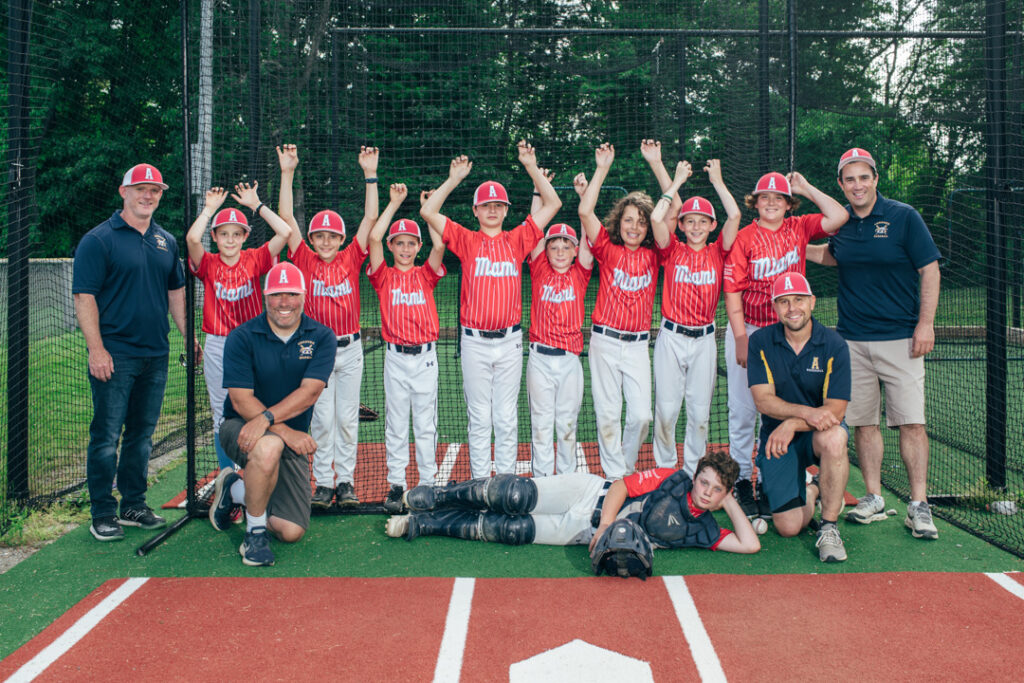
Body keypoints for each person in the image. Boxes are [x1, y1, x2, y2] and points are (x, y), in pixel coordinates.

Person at [419, 141, 561, 479]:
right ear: (476, 210)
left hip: (510, 341)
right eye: (486, 205)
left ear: (507, 210)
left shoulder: (518, 239)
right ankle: (482, 483)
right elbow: (428, 212)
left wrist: (531, 166)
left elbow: (553, 202)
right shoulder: (467, 240)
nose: (493, 210)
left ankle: (506, 484)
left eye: (498, 205)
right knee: (480, 415)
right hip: (475, 343)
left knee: (507, 416)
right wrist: (453, 180)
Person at [820, 148, 942, 540]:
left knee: (912, 423)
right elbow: (828, 256)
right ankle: (873, 497)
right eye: (849, 179)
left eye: (864, 177)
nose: (857, 185)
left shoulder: (904, 217)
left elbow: (930, 269)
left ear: (875, 179)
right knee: (864, 424)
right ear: (841, 184)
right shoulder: (840, 225)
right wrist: (777, 245)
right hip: (852, 341)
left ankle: (918, 505)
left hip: (902, 339)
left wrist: (926, 324)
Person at [72, 163, 197, 541]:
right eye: (141, 189)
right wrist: (97, 350)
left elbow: (176, 292)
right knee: (106, 435)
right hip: (115, 355)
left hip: (155, 354)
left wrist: (188, 337)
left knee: (142, 435)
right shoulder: (99, 239)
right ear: (123, 192)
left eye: (155, 190)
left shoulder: (166, 241)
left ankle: (133, 504)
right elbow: (84, 296)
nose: (148, 196)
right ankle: (102, 512)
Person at [723, 169, 847, 518]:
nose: (772, 203)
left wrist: (806, 187)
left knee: (786, 404)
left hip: (791, 331)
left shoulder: (799, 227)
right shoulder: (746, 237)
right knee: (744, 410)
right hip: (753, 327)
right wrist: (741, 337)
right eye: (765, 197)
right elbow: (732, 291)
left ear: (788, 203)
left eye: (779, 197)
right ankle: (743, 481)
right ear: (755, 203)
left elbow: (839, 216)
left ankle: (778, 477)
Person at [383, 450, 760, 556]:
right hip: (589, 494)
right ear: (694, 477)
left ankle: (424, 524)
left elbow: (750, 543)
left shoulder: (706, 529)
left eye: (716, 490)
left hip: (582, 533)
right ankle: (434, 496)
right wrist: (609, 527)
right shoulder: (673, 478)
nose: (706, 492)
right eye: (704, 482)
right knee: (514, 496)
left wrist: (728, 503)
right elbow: (620, 488)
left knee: (510, 530)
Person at [208, 262, 336, 566]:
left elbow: (310, 393)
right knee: (269, 446)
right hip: (240, 428)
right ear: (265, 297)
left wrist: (270, 422)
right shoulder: (242, 336)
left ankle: (234, 488)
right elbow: (240, 400)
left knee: (291, 531)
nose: (284, 303)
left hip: (282, 435)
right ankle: (254, 534)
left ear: (304, 296)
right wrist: (283, 431)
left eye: (291, 294)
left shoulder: (322, 337)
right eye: (276, 295)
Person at [277, 143, 379, 509]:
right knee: (321, 420)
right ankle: (322, 484)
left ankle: (347, 482)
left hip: (350, 350)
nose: (324, 241)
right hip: (315, 351)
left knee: (347, 419)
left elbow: (369, 220)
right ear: (312, 239)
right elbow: (287, 219)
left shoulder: (352, 256)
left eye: (331, 236)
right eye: (319, 235)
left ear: (340, 239)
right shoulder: (303, 257)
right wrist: (287, 172)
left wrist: (370, 175)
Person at [642, 144, 741, 476]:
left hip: (704, 340)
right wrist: (676, 184)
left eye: (703, 221)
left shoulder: (718, 252)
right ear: (681, 225)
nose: (696, 226)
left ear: (711, 225)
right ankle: (665, 469)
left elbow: (736, 215)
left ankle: (691, 472)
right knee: (667, 412)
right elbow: (657, 216)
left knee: (699, 414)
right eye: (690, 221)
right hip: (671, 336)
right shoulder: (672, 250)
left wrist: (718, 182)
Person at [185, 183, 292, 471]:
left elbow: (285, 233)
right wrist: (209, 209)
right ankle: (228, 474)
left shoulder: (254, 258)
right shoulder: (207, 263)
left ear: (245, 236)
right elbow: (192, 239)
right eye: (223, 234)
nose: (230, 239)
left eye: (236, 233)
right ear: (215, 237)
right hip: (218, 343)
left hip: (253, 342)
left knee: (259, 405)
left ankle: (260, 467)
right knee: (222, 411)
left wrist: (257, 205)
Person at [747, 272, 851, 562]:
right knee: (789, 527)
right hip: (777, 440)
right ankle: (816, 490)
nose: (792, 308)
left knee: (835, 437)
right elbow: (763, 400)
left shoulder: (834, 344)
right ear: (775, 308)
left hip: (816, 434)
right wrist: (803, 414)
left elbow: (836, 410)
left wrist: (794, 422)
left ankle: (829, 527)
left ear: (812, 302)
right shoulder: (760, 342)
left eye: (799, 300)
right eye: (784, 302)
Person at [576, 142, 658, 479]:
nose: (634, 227)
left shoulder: (657, 255)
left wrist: (659, 165)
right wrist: (601, 169)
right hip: (605, 342)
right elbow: (584, 213)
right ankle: (614, 479)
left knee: (641, 416)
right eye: (628, 220)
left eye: (640, 222)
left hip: (637, 345)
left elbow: (673, 210)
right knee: (608, 414)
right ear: (618, 222)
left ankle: (624, 467)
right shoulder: (607, 250)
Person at [367, 183, 447, 513]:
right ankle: (396, 484)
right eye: (399, 243)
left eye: (410, 243)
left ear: (417, 246)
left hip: (425, 356)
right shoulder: (382, 276)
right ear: (391, 246)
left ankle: (427, 482)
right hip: (396, 357)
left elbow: (441, 243)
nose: (404, 248)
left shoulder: (426, 274)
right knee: (397, 424)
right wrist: (393, 203)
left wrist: (429, 212)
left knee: (425, 424)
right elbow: (372, 238)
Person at [525, 171, 594, 477]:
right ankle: (541, 482)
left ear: (575, 249)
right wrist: (539, 190)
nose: (560, 251)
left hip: (569, 361)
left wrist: (583, 197)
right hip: (540, 358)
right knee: (541, 425)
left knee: (566, 424)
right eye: (554, 246)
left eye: (567, 246)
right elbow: (533, 227)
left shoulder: (581, 272)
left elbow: (590, 234)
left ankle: (565, 479)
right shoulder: (539, 268)